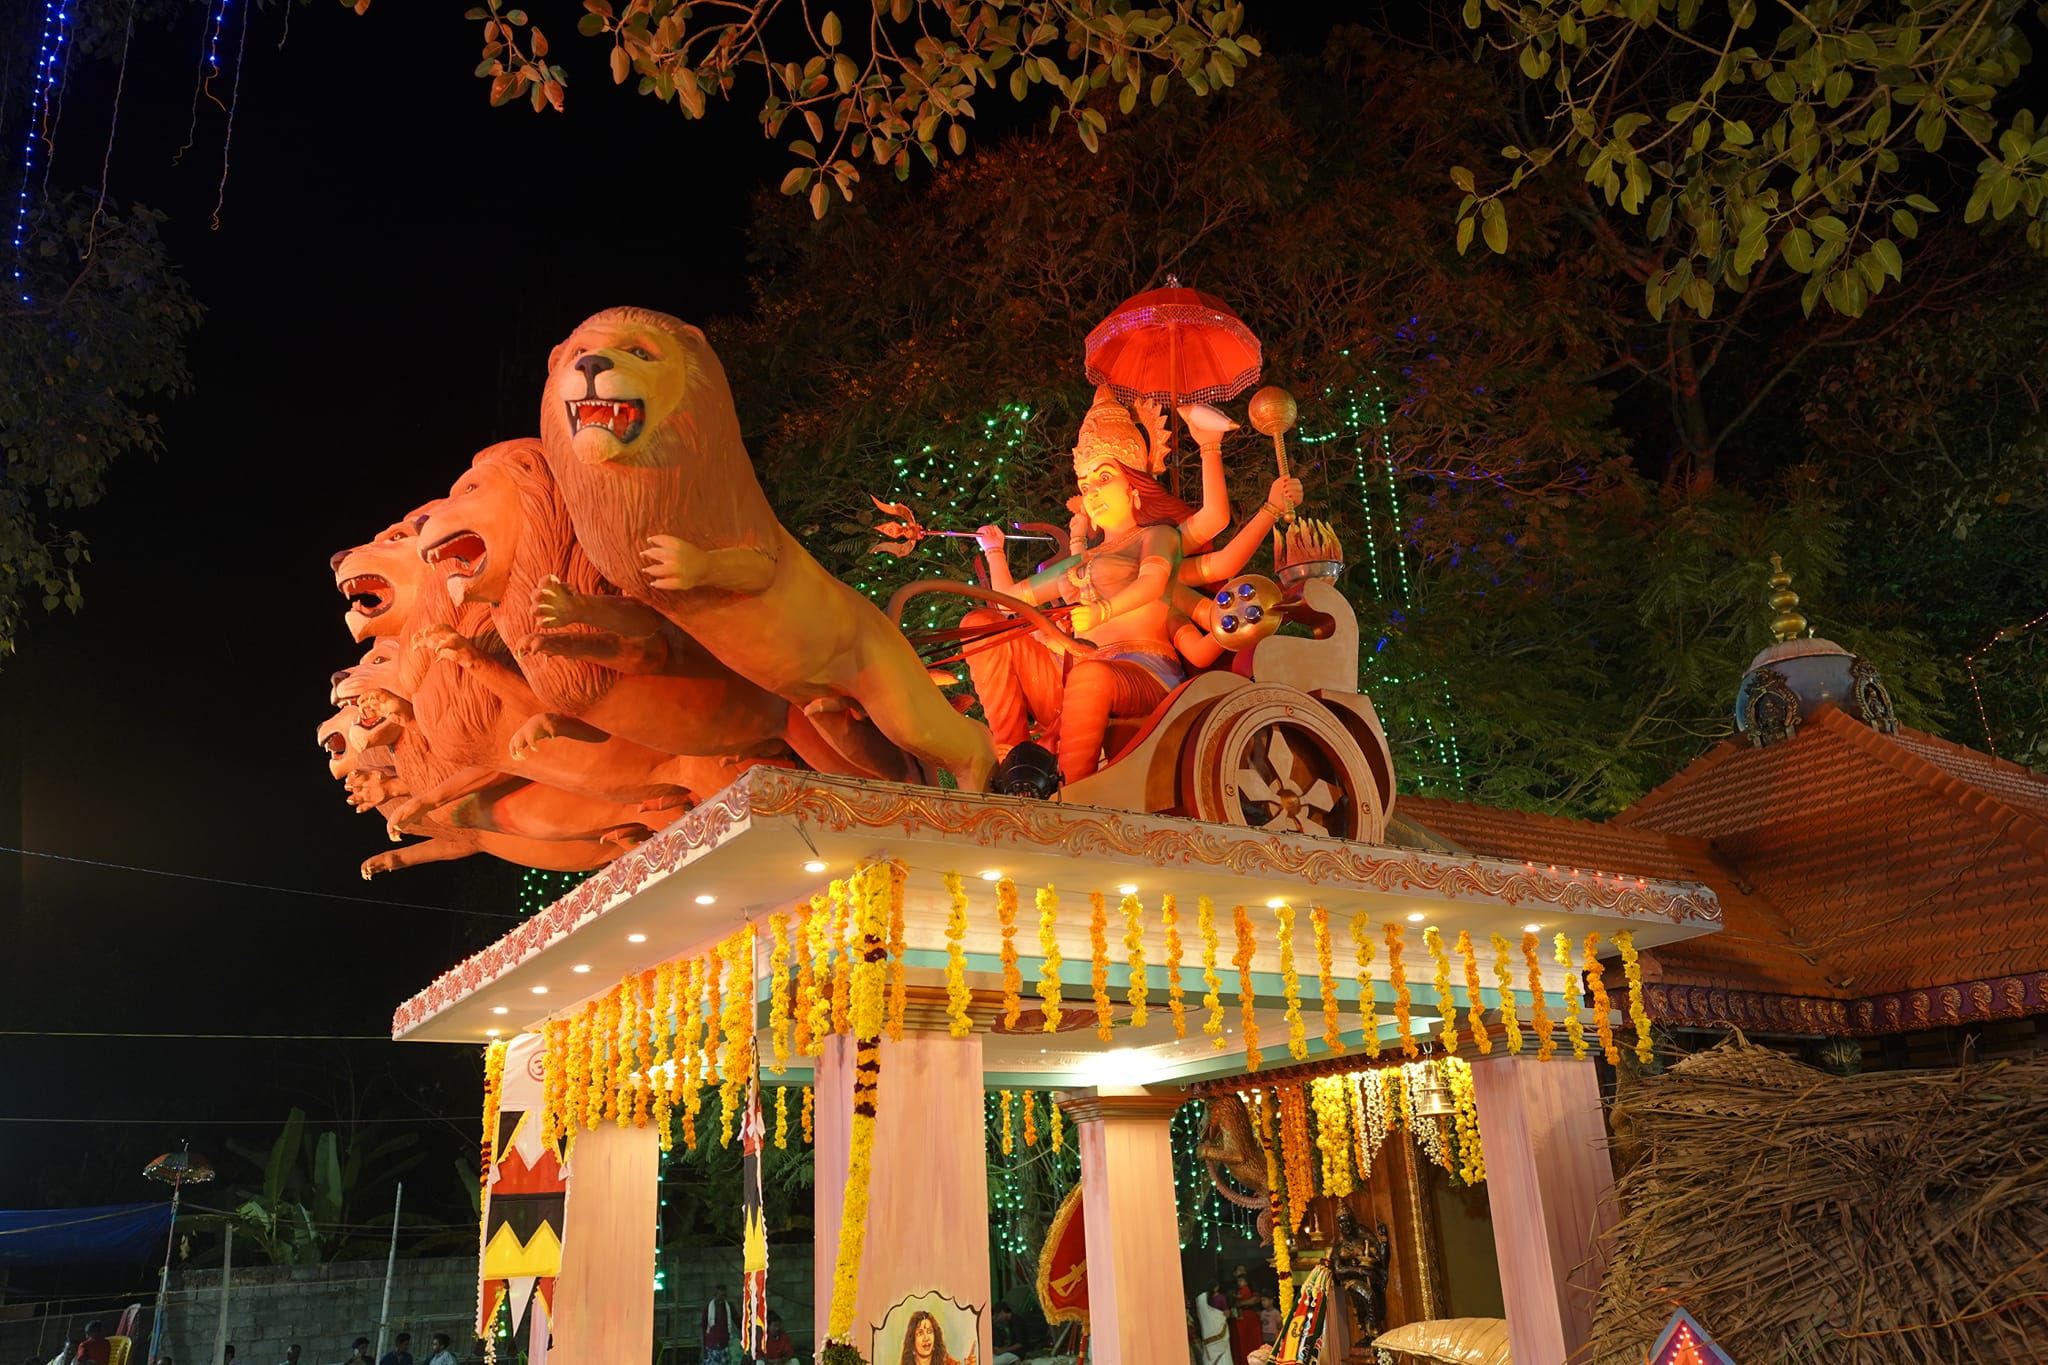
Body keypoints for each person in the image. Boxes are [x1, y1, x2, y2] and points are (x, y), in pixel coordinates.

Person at [895, 1310, 973, 1365]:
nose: (926, 1338)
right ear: (912, 1340)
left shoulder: (948, 1363)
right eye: (920, 1333)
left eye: (929, 1331)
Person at [1226, 1266, 1262, 1365]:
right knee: (1239, 1343)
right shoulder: (1230, 1286)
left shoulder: (1251, 1285)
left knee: (1251, 1342)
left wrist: (1241, 1303)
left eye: (1244, 1269)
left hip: (1249, 1317)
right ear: (1234, 1273)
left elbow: (1256, 1299)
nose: (1242, 1271)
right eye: (1239, 1270)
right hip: (1236, 1318)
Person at [1192, 1282, 1230, 1365]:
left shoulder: (1201, 1300)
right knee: (1224, 1356)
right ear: (1217, 1287)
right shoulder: (1220, 1297)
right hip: (1220, 1332)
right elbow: (1226, 1314)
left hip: (1208, 1336)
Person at [702, 1287, 736, 1365]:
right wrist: (703, 1348)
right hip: (711, 1345)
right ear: (715, 1296)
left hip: (724, 1345)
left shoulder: (729, 1307)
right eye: (720, 1296)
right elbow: (703, 1328)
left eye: (724, 1296)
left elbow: (738, 1321)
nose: (722, 1298)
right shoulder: (708, 1308)